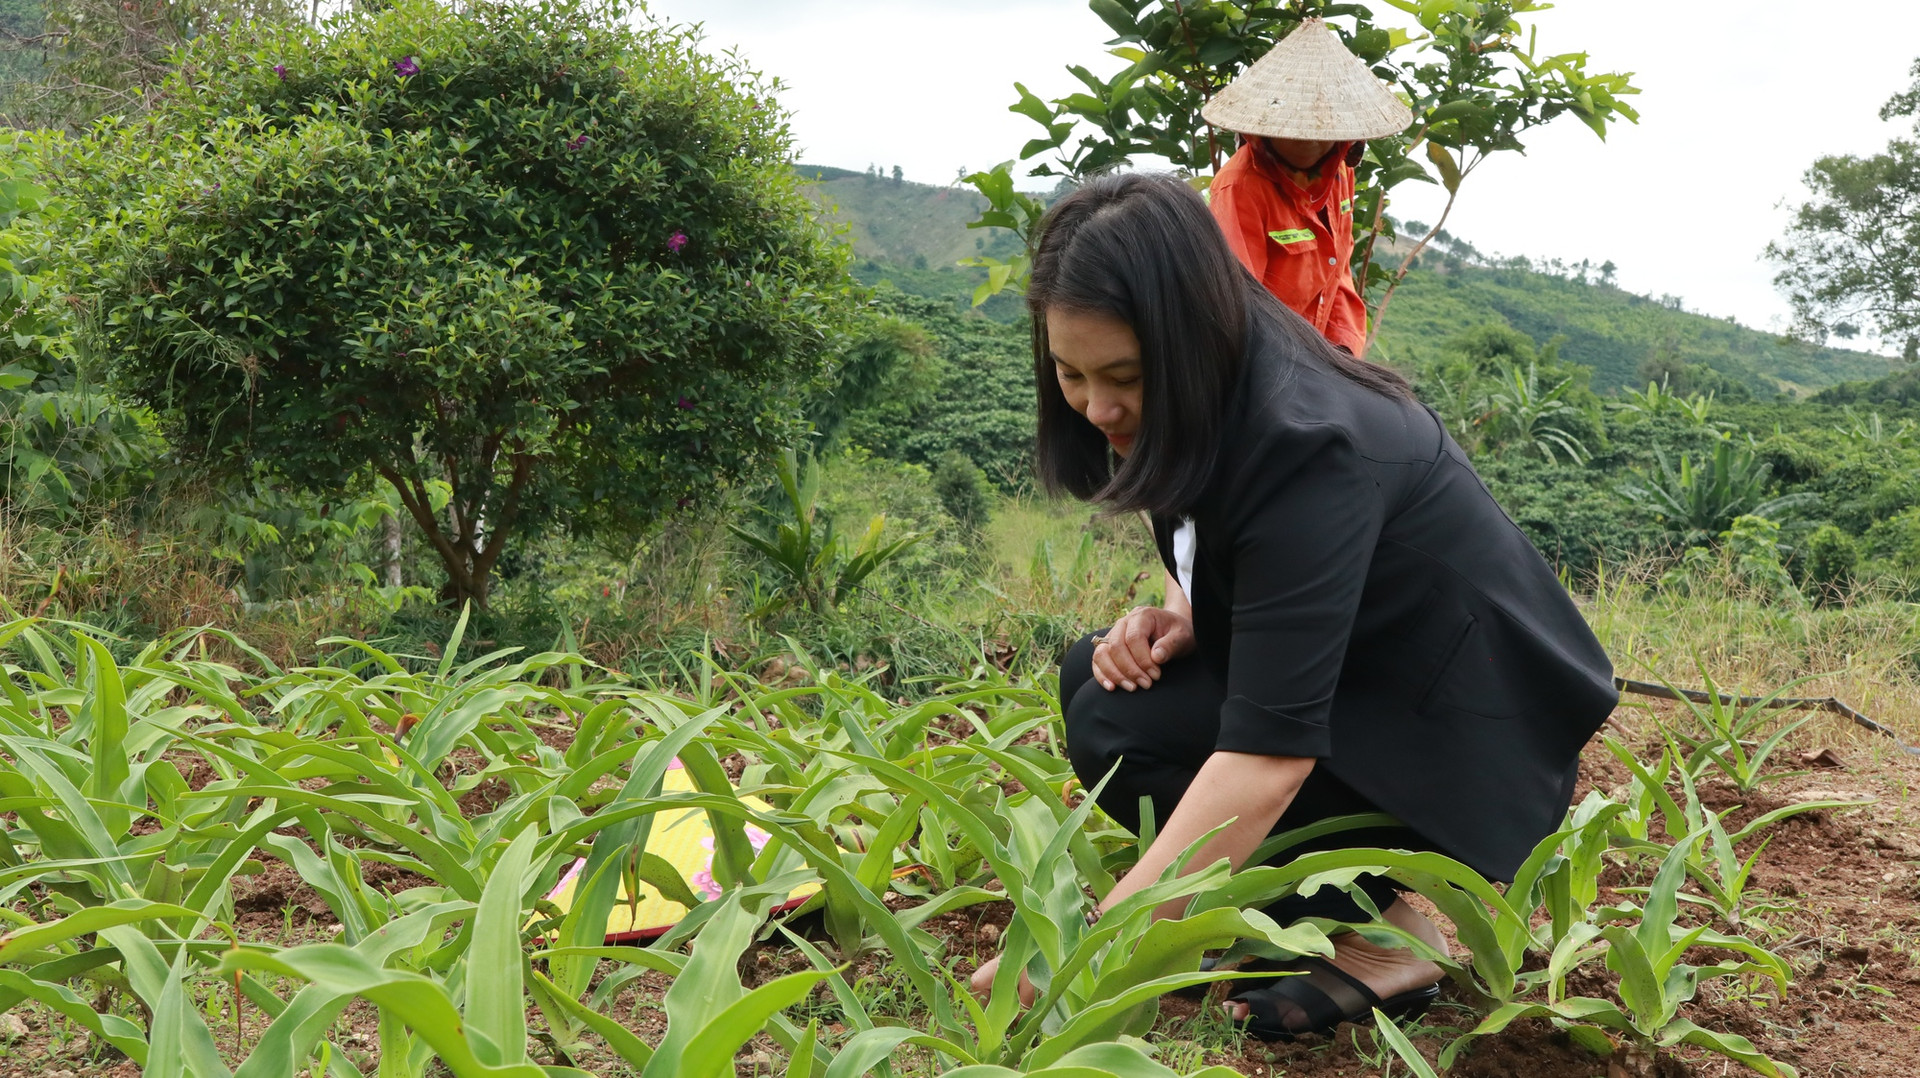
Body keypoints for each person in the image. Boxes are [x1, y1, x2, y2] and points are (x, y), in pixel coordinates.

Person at [967, 173, 1617, 1040]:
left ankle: (1387, 936)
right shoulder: (1211, 379)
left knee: (1137, 736)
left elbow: (1266, 760)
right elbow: (1214, 521)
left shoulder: (1311, 449)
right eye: (1070, 374)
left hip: (1465, 733)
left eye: (1123, 375)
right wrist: (1190, 608)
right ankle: (1289, 907)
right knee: (1105, 687)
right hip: (1374, 675)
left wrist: (1078, 961)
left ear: (1187, 341)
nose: (1097, 407)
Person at [1202, 18, 1412, 355]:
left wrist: (1343, 354)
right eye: (1297, 129)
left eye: (1320, 128)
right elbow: (1238, 306)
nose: (1309, 140)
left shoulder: (1341, 173)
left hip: (1320, 353)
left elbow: (1338, 275)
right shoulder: (1240, 187)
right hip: (1269, 360)